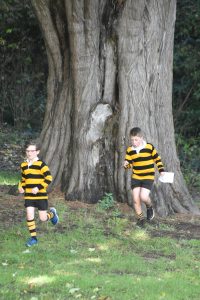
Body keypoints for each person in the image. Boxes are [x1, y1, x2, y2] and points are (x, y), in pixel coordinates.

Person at [18, 141, 59, 247]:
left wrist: (38, 187)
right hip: (29, 196)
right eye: (27, 151)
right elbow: (23, 179)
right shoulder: (23, 165)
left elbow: (49, 178)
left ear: (37, 152)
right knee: (29, 214)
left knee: (43, 218)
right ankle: (33, 239)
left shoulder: (41, 164)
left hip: (40, 196)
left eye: (32, 151)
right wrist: (21, 187)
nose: (29, 153)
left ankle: (52, 214)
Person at [124, 127, 164, 226]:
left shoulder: (149, 147)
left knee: (143, 196)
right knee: (135, 199)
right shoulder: (130, 150)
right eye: (132, 139)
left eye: (136, 139)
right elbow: (129, 164)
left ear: (141, 138)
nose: (134, 142)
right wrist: (125, 165)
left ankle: (149, 207)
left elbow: (157, 159)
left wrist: (161, 170)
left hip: (148, 177)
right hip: (136, 177)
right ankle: (140, 220)